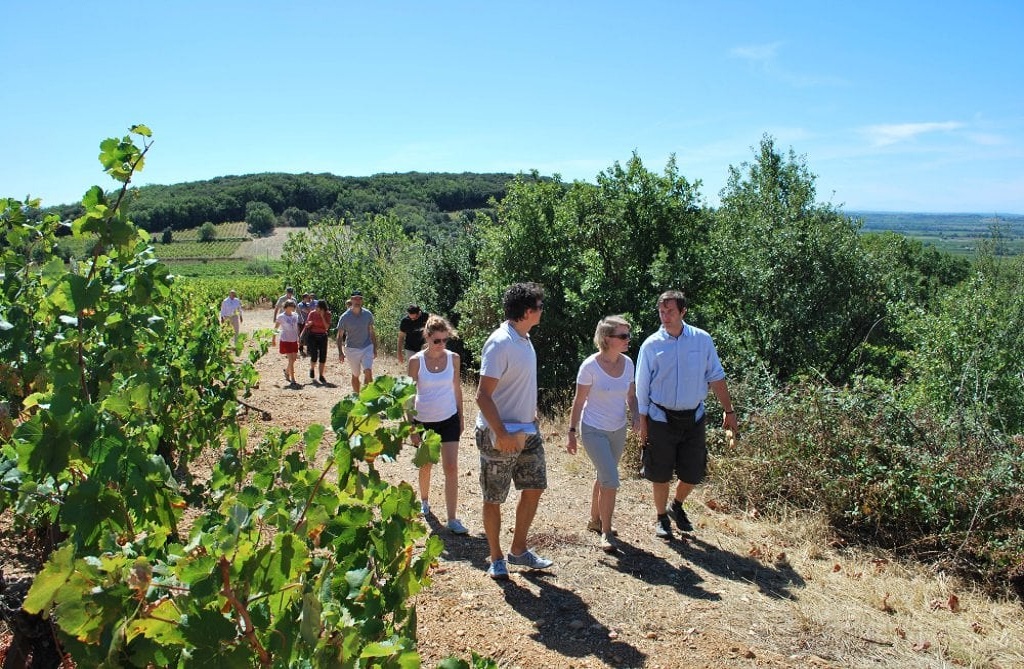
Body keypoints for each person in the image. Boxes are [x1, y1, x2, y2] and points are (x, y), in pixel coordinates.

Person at [635, 290, 739, 540]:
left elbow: (716, 376)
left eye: (670, 311)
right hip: (660, 416)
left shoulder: (702, 340)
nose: (665, 316)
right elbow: (641, 386)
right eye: (661, 312)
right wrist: (642, 421)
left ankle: (677, 505)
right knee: (660, 473)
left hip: (693, 417)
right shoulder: (651, 345)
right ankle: (662, 518)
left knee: (694, 472)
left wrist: (729, 411)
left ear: (683, 311)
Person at [475, 282, 553, 579]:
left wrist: (531, 411)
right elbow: (482, 395)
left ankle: (518, 550)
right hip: (498, 435)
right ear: (527, 311)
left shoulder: (524, 339)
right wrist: (502, 433)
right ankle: (496, 558)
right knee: (494, 497)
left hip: (526, 431)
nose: (542, 311)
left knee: (535, 487)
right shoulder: (500, 343)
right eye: (540, 307)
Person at [566, 315, 639, 553]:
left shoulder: (628, 363)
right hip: (593, 429)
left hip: (618, 429)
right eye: (623, 335)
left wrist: (636, 416)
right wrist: (571, 432)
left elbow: (631, 396)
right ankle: (606, 532)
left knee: (604, 475)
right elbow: (579, 401)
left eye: (628, 334)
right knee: (611, 479)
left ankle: (595, 520)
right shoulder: (590, 366)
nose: (628, 339)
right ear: (607, 339)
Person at [407, 315, 468, 535]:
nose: (441, 345)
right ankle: (424, 501)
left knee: (451, 467)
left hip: (449, 417)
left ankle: (452, 518)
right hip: (424, 421)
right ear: (427, 337)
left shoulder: (453, 358)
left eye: (445, 340)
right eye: (437, 341)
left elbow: (457, 388)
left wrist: (461, 417)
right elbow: (409, 395)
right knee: (426, 465)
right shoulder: (416, 361)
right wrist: (411, 427)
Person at [336, 290, 377, 393]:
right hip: (351, 349)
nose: (357, 301)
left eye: (359, 299)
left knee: (368, 372)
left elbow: (372, 332)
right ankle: (357, 396)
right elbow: (339, 336)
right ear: (351, 300)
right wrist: (340, 352)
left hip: (367, 346)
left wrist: (375, 348)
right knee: (356, 374)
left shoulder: (367, 314)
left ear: (362, 300)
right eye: (355, 299)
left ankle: (368, 396)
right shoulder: (345, 317)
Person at [302, 299, 332, 385]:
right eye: (316, 307)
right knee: (314, 355)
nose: (316, 309)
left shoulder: (328, 314)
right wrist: (309, 324)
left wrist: (322, 317)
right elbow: (306, 324)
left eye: (318, 307)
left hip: (323, 336)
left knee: (323, 356)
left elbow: (326, 327)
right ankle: (312, 369)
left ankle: (321, 375)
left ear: (323, 308)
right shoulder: (312, 313)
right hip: (313, 336)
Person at [275, 299, 301, 388]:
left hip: (294, 339)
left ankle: (286, 372)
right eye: (291, 306)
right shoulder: (281, 317)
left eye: (293, 306)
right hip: (285, 340)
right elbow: (276, 328)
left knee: (294, 359)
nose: (293, 307)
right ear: (286, 307)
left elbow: (297, 327)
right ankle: (293, 379)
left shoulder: (295, 315)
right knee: (290, 359)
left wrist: (299, 337)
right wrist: (273, 339)